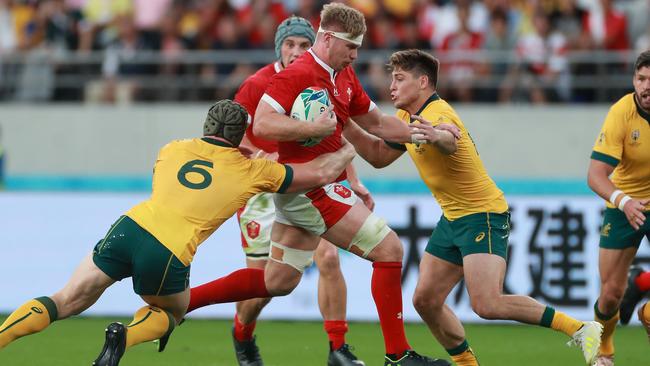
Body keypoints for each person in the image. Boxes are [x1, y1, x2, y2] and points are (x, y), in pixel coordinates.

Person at [0, 99, 356, 366]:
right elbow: (319, 175)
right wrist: (346, 150)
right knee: (169, 313)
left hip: (130, 227)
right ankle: (124, 337)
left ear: (206, 125)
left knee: (65, 300)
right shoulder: (253, 170)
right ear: (239, 135)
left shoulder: (172, 149)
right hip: (169, 250)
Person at [343, 49, 604, 366]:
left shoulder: (439, 114)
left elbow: (447, 140)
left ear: (423, 82)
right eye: (392, 79)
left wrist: (437, 136)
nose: (391, 86)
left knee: (487, 303)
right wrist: (342, 122)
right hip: (453, 217)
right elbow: (378, 156)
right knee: (425, 300)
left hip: (483, 214)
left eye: (399, 79)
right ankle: (468, 364)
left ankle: (580, 328)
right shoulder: (405, 119)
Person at [250, 3, 450, 365]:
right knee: (386, 250)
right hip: (299, 188)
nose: (357, 54)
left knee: (278, 281)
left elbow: (372, 128)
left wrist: (423, 133)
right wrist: (310, 132)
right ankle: (389, 353)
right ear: (326, 39)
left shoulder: (341, 76)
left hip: (323, 185)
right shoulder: (281, 78)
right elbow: (258, 127)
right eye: (351, 46)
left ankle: (191, 305)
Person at [185, 16, 368, 366]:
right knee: (263, 283)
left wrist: (352, 180)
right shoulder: (257, 84)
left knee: (328, 258)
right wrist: (260, 156)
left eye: (303, 44)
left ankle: (338, 349)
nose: (297, 51)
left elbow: (336, 135)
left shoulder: (322, 78)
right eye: (290, 45)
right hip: (262, 189)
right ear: (279, 48)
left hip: (309, 183)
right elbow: (233, 133)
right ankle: (242, 333)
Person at [587, 50, 650, 365]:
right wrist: (623, 202)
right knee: (611, 292)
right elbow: (595, 175)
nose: (647, 86)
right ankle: (604, 348)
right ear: (634, 81)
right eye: (641, 79)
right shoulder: (621, 113)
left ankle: (645, 298)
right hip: (625, 203)